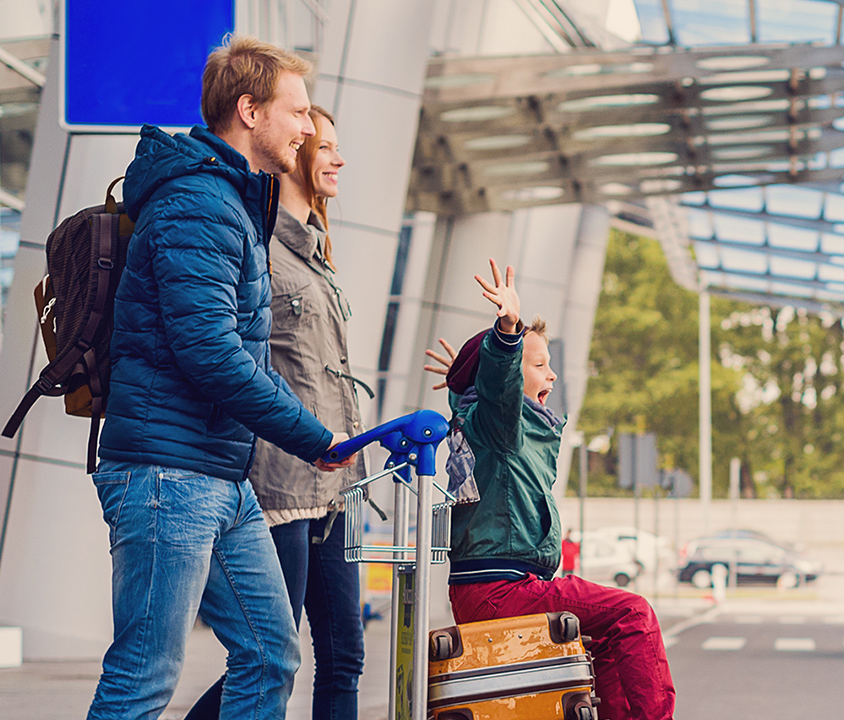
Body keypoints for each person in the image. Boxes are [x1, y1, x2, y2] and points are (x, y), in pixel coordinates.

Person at [89, 36, 356, 720]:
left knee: (271, 654)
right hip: (165, 473)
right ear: (249, 111)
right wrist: (310, 436)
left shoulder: (232, 201)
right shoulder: (198, 204)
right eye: (296, 111)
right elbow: (209, 351)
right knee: (145, 675)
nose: (306, 127)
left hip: (214, 470)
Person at [422, 261, 676, 720]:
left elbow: (486, 392)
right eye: (540, 365)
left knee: (607, 641)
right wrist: (506, 331)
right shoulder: (503, 423)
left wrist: (464, 383)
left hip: (507, 587)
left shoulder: (500, 426)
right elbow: (500, 386)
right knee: (633, 614)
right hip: (501, 590)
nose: (552, 376)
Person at [182, 106, 365, 720]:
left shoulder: (319, 254)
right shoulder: (260, 247)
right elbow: (243, 366)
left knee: (344, 657)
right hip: (279, 486)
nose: (337, 158)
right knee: (269, 657)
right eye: (326, 145)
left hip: (336, 486)